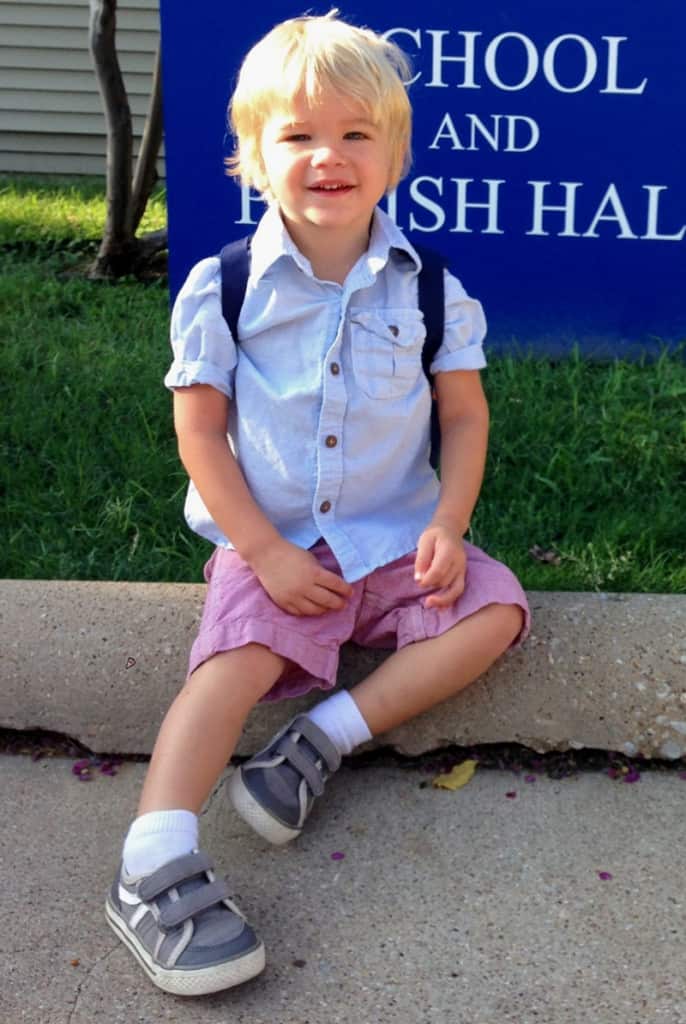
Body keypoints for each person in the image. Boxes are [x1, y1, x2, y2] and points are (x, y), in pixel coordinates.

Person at [105, 10, 530, 997]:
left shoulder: (430, 292)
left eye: (353, 134)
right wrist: (259, 549)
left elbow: (461, 419)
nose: (326, 156)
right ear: (250, 156)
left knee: (497, 608)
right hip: (279, 544)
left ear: (394, 153)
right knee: (235, 659)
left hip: (387, 541)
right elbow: (200, 432)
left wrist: (445, 526)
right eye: (296, 135)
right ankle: (152, 857)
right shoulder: (225, 286)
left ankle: (319, 739)